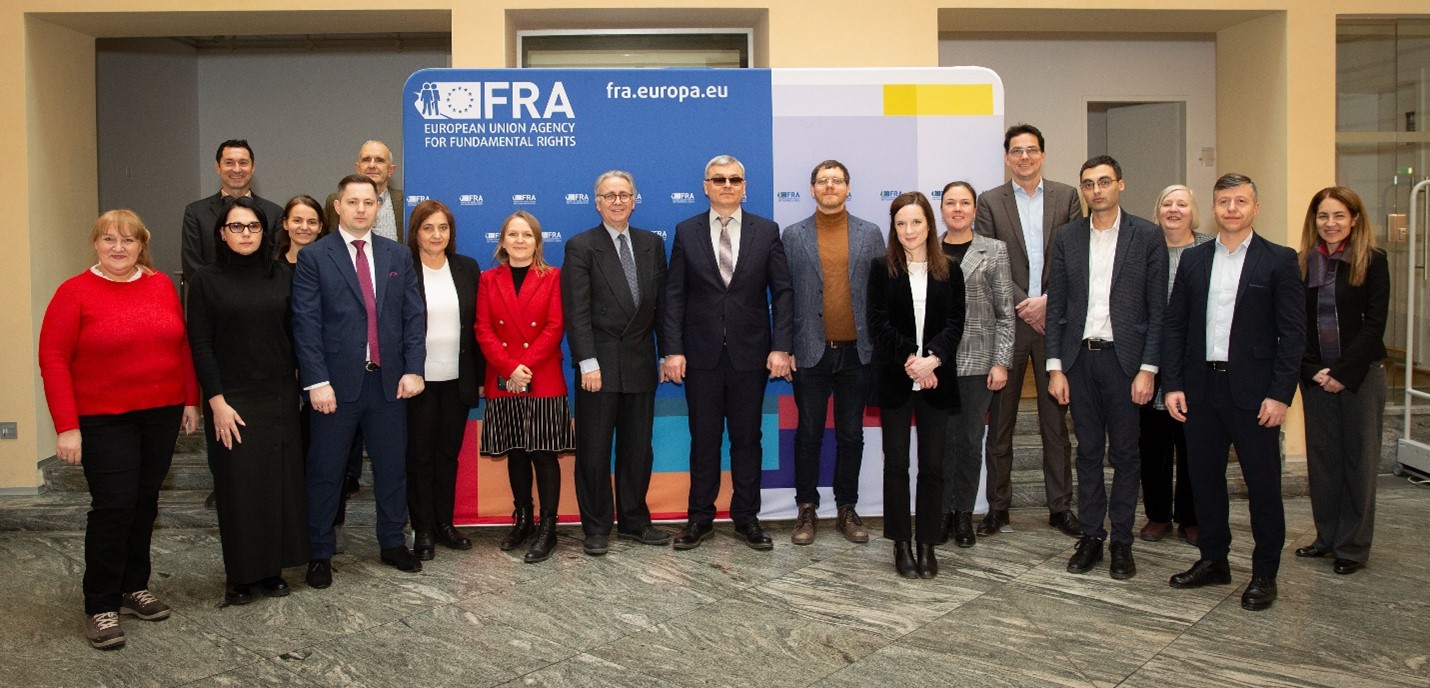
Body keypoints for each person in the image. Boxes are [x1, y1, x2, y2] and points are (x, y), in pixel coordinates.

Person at [38, 210, 201, 650]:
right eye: (108, 239)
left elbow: (181, 344)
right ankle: (100, 603)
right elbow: (53, 361)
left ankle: (133, 587)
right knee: (114, 507)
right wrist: (67, 427)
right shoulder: (73, 292)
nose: (118, 247)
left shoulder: (160, 284)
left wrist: (189, 399)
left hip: (162, 412)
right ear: (95, 243)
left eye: (128, 240)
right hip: (103, 418)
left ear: (141, 244)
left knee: (145, 502)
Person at [1163, 173, 1306, 612]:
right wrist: (1173, 384)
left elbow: (1293, 334)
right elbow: (1176, 327)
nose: (1231, 209)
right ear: (1214, 207)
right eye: (1224, 201)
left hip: (1255, 394)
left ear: (1254, 207)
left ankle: (1264, 573)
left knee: (1262, 487)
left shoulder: (1279, 260)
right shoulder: (1194, 259)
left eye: (1240, 201)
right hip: (1202, 389)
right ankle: (1213, 560)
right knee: (1204, 482)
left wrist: (1281, 395)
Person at [292, 174, 427, 588]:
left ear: (377, 207)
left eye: (369, 202)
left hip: (389, 384)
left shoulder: (397, 255)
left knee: (392, 469)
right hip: (336, 386)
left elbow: (412, 316)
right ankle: (319, 553)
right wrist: (316, 381)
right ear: (338, 206)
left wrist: (414, 368)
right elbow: (306, 323)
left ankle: (391, 542)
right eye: (353, 202)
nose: (361, 209)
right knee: (326, 472)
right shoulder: (315, 257)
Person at [661, 155, 794, 551]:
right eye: (718, 179)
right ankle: (699, 518)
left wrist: (781, 346)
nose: (726, 185)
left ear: (744, 185)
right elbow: (674, 295)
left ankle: (746, 517)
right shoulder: (686, 231)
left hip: (750, 356)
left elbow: (783, 292)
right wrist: (672, 350)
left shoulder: (766, 230)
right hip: (700, 356)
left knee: (747, 439)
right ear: (705, 185)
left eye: (734, 179)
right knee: (703, 440)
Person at [1045, 156, 1167, 580]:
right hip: (1079, 361)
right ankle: (1092, 536)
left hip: (1125, 363)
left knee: (1128, 455)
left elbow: (1157, 308)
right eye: (1088, 184)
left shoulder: (1147, 237)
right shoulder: (1066, 238)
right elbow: (1057, 305)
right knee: (1089, 453)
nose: (1096, 190)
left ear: (1120, 185)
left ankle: (1122, 542)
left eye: (1104, 182)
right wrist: (1055, 367)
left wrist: (1148, 368)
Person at [187, 197, 307, 605]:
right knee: (238, 489)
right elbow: (200, 345)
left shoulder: (282, 276)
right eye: (236, 227)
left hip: (278, 395)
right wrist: (215, 401)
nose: (245, 234)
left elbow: (296, 334)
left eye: (252, 227)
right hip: (231, 397)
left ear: (265, 231)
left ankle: (271, 571)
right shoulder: (206, 280)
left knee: (277, 485)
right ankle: (240, 576)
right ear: (222, 233)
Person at [973, 124, 1084, 538]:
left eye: (1031, 150)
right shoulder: (990, 201)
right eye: (1016, 151)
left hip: (1056, 323)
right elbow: (987, 258)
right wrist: (1026, 303)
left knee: (1056, 425)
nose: (1024, 157)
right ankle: (998, 508)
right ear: (1007, 157)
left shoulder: (1067, 197)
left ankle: (1060, 508)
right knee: (999, 425)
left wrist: (1048, 302)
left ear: (1043, 154)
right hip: (1010, 325)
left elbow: (1075, 257)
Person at [560, 170, 671, 555]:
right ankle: (596, 526)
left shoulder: (650, 245)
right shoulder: (581, 245)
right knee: (593, 449)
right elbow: (577, 311)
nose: (618, 201)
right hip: (599, 366)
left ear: (634, 199)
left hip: (640, 362)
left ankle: (635, 521)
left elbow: (663, 307)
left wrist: (669, 352)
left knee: (638, 450)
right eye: (610, 195)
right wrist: (587, 362)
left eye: (625, 194)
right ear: (597, 202)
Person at [783, 159, 886, 546]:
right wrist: (786, 346)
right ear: (812, 189)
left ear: (848, 188)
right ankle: (806, 508)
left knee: (851, 435)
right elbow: (784, 295)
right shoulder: (792, 236)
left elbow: (880, 296)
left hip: (857, 354)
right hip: (810, 352)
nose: (830, 186)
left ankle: (847, 507)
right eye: (822, 181)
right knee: (808, 434)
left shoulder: (870, 233)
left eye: (837, 180)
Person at [1293, 186, 1389, 576]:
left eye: (1338, 216)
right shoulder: (1301, 263)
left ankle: (1352, 546)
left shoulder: (1372, 261)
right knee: (1323, 461)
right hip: (1315, 377)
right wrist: (1314, 369)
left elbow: (1374, 325)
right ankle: (1326, 537)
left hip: (1361, 376)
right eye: (1322, 216)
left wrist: (1343, 373)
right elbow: (1294, 323)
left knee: (1359, 462)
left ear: (1354, 219)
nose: (1330, 224)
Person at [868, 192, 964, 578]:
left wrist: (933, 360)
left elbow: (956, 323)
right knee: (896, 465)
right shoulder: (880, 268)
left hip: (937, 379)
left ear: (930, 225)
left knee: (933, 466)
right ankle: (901, 545)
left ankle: (927, 544)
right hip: (896, 377)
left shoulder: (950, 270)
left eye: (916, 223)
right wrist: (913, 360)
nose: (909, 231)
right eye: (901, 224)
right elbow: (877, 324)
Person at [477, 211, 574, 563]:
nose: (519, 241)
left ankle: (548, 527)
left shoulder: (553, 278)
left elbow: (554, 327)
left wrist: (524, 367)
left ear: (537, 241)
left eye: (527, 235)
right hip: (504, 379)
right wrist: (508, 369)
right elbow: (483, 329)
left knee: (544, 455)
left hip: (542, 377)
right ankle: (523, 519)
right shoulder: (488, 279)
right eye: (513, 235)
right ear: (502, 241)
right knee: (516, 452)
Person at [405, 200, 484, 561]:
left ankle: (444, 524)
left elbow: (478, 328)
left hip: (457, 380)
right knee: (420, 457)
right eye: (428, 228)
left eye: (443, 228)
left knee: (447, 456)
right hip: (418, 381)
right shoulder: (402, 267)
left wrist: (480, 377)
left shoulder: (467, 268)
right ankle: (422, 529)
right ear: (416, 232)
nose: (436, 235)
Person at [937, 181, 1013, 549]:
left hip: (978, 363)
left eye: (964, 202)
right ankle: (941, 514)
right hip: (935, 364)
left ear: (973, 209)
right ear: (941, 209)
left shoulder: (994, 250)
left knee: (968, 442)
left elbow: (1005, 314)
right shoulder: (926, 248)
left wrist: (1001, 362)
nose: (957, 209)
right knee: (939, 444)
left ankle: (963, 513)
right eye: (950, 202)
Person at [1139, 185, 1212, 545]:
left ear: (1192, 211)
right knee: (1152, 443)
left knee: (1191, 443)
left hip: (1192, 360)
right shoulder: (1144, 249)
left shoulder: (1208, 249)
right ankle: (1157, 516)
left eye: (1181, 204)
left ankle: (1190, 516)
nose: (1173, 209)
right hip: (1150, 358)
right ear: (1158, 210)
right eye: (1166, 203)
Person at [182, 139, 284, 285]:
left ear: (253, 167)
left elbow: (277, 263)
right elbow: (191, 265)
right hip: (213, 299)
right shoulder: (196, 212)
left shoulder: (274, 212)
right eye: (229, 163)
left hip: (262, 298)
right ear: (218, 167)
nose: (237, 169)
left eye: (243, 163)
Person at [325, 140, 406, 242]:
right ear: (358, 168)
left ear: (391, 170)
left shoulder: (405, 202)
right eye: (366, 160)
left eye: (379, 160)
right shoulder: (335, 201)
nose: (372, 165)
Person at [275, 195, 328, 269]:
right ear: (285, 224)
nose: (304, 227)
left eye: (312, 222)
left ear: (320, 227)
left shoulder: (331, 265)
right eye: (297, 221)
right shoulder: (272, 266)